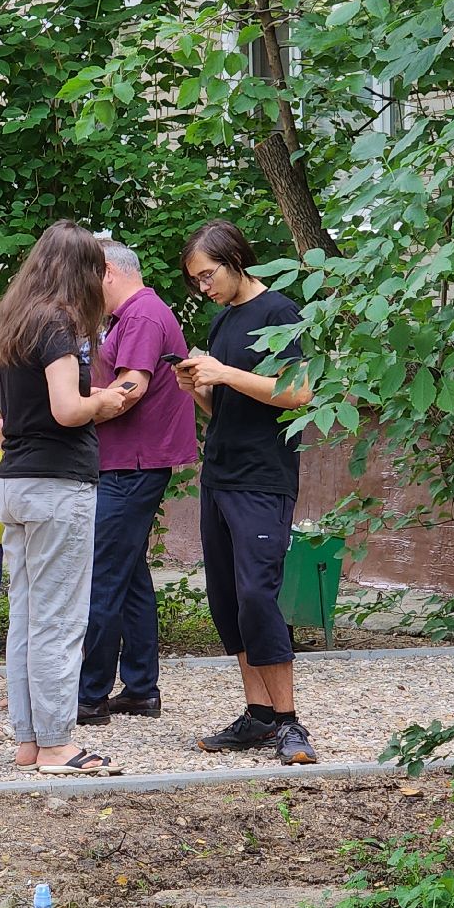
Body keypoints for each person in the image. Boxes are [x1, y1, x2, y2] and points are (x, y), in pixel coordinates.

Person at [0, 220, 134, 776]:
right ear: (83, 273)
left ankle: (29, 740)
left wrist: (86, 398)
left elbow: (3, 411)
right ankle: (55, 745)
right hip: (58, 484)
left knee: (26, 616)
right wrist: (109, 400)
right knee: (60, 620)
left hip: (16, 481)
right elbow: (68, 410)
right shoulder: (61, 323)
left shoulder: (9, 320)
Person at [174, 219, 317, 764]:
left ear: (236, 259)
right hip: (220, 473)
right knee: (227, 599)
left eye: (208, 275)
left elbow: (299, 393)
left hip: (263, 478)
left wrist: (227, 374)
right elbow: (229, 409)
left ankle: (288, 721)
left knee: (258, 593)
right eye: (196, 281)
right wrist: (200, 390)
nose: (204, 287)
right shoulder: (222, 320)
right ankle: (257, 716)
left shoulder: (279, 312)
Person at [76, 239, 198, 724]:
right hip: (130, 462)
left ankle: (89, 696)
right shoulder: (130, 316)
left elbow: (133, 386)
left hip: (132, 464)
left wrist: (72, 408)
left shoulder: (142, 315)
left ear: (107, 270)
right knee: (129, 577)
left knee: (102, 576)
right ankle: (142, 688)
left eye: (87, 276)